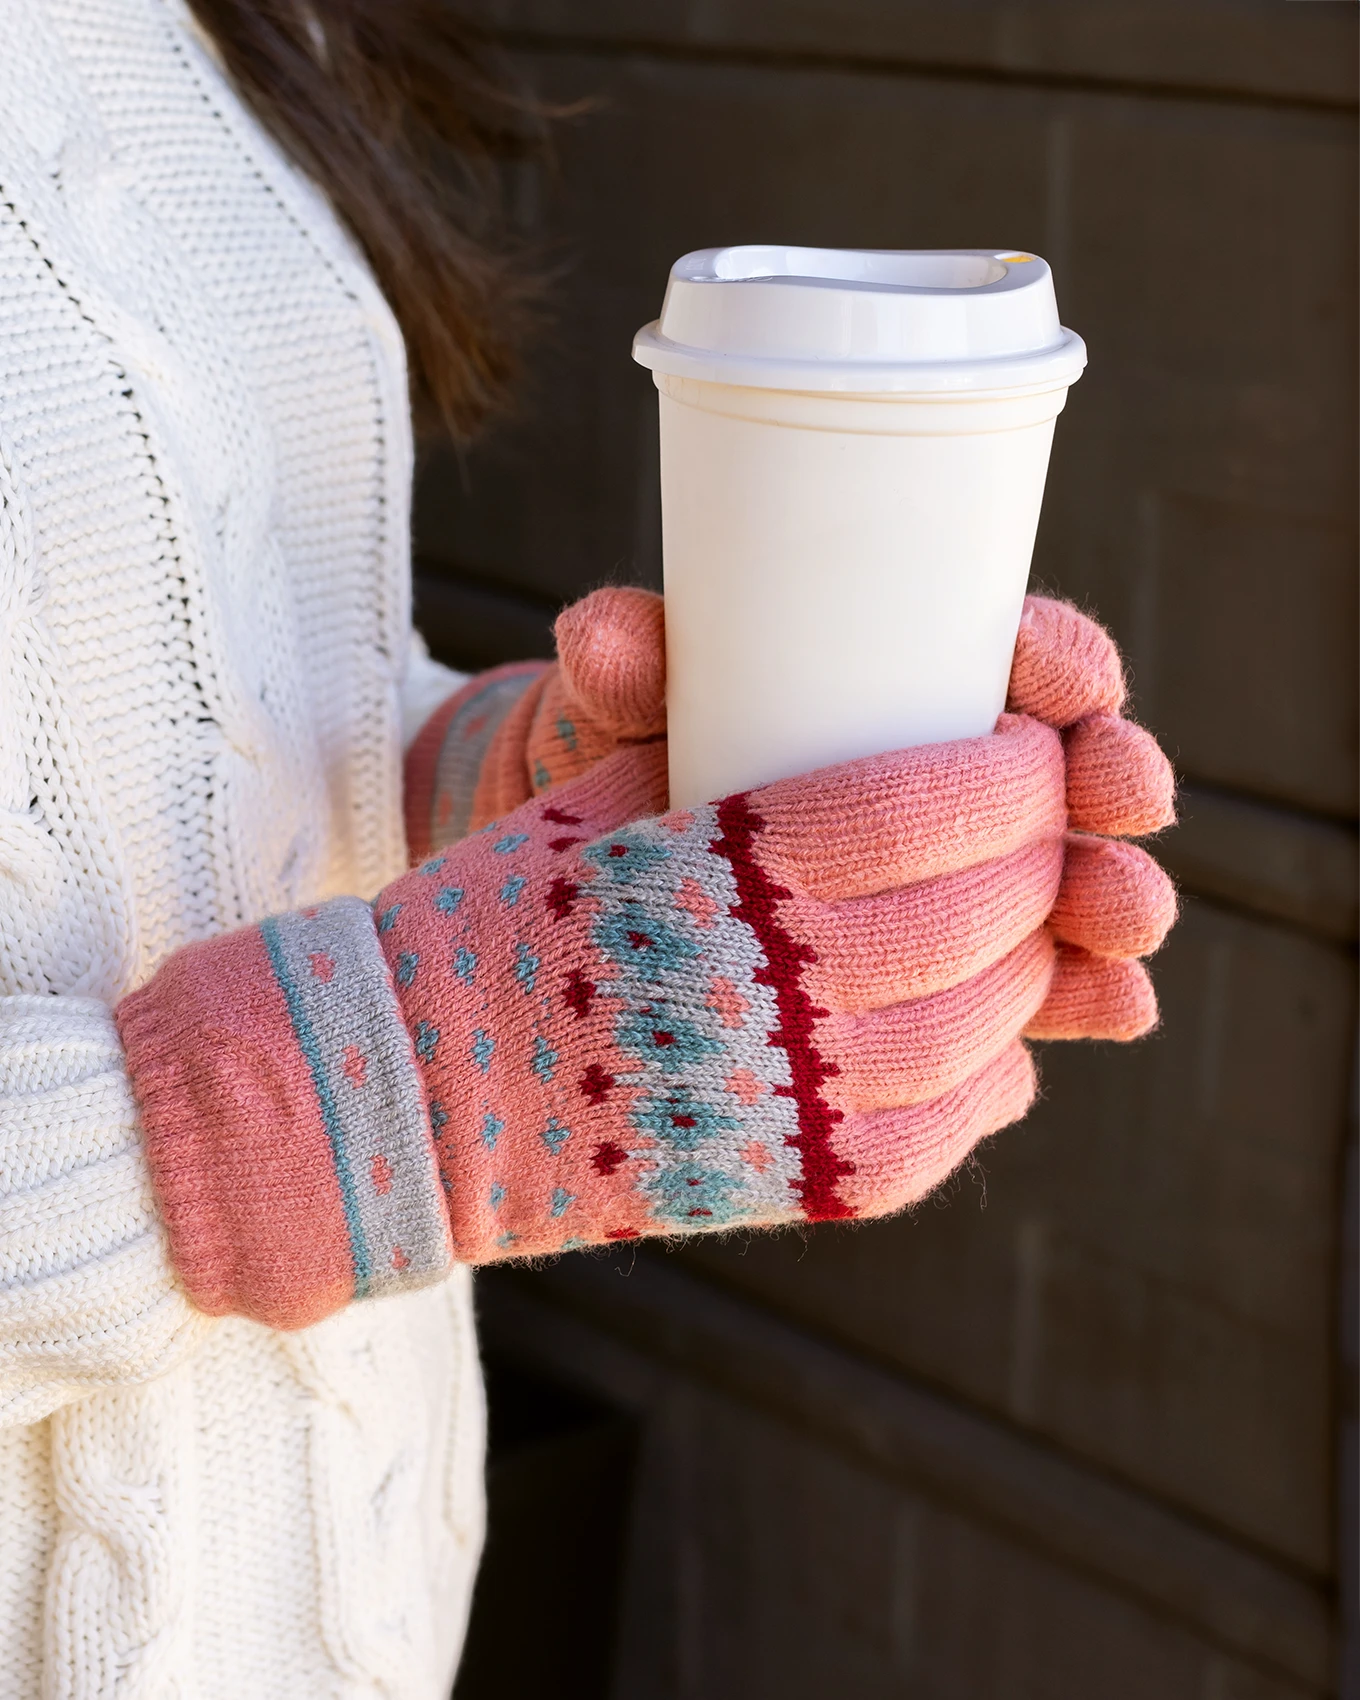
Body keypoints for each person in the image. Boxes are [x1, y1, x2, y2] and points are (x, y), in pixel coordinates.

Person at [0, 1, 1177, 1694]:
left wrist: (520, 786)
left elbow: (199, 687)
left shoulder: (235, 26)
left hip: (352, 1611)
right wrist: (386, 1092)